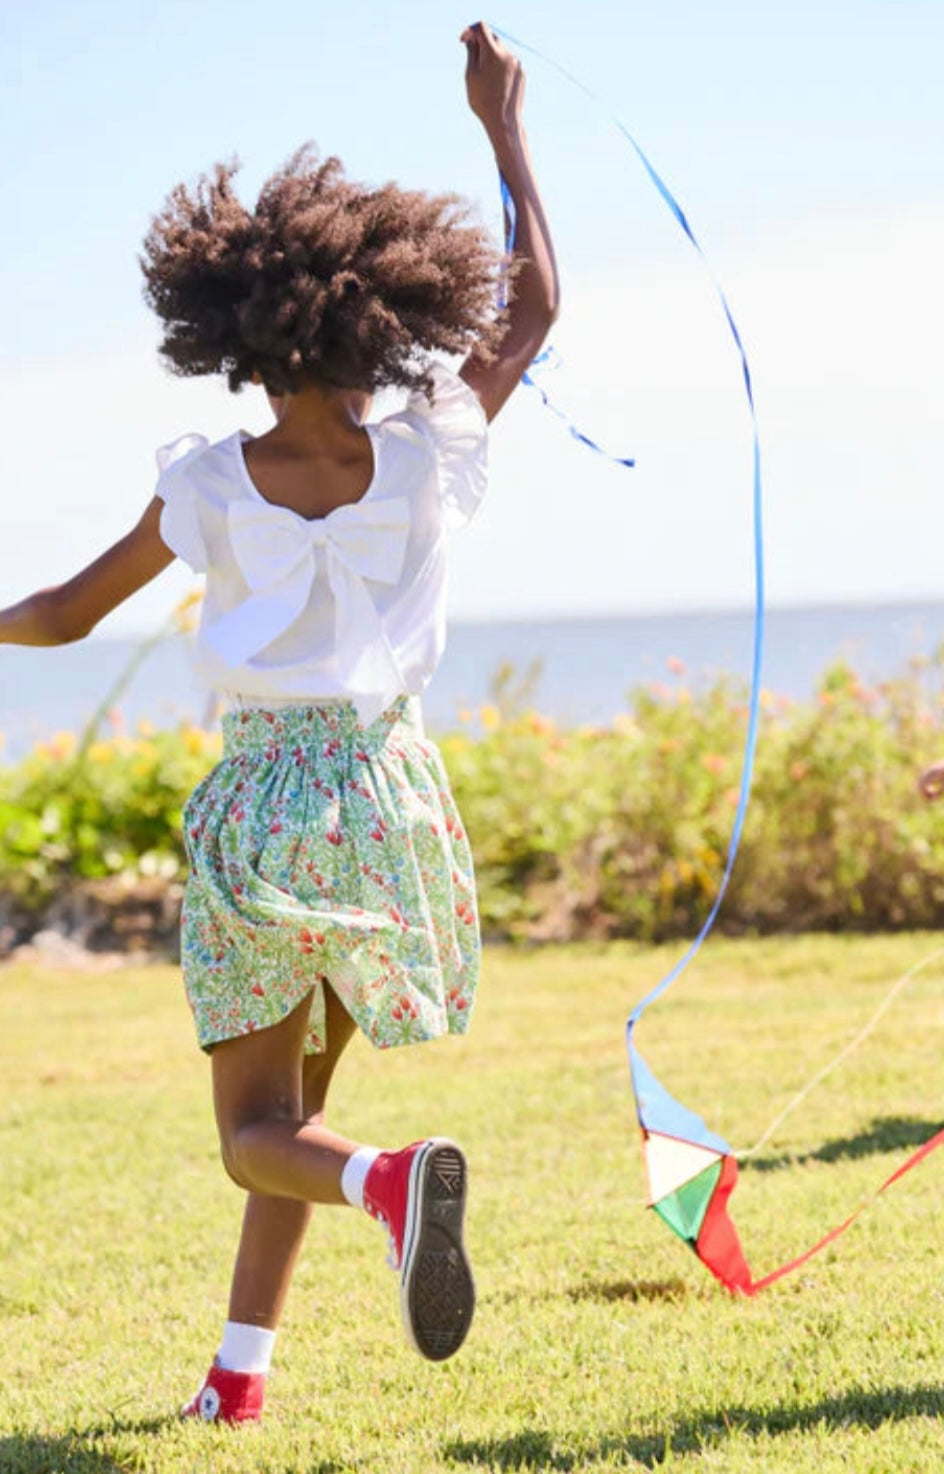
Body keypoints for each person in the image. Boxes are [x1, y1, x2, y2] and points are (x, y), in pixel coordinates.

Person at [0, 22, 558, 1424]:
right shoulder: (434, 452)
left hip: (266, 804)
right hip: (392, 795)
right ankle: (236, 1384)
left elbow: (66, 612)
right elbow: (537, 306)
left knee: (262, 1132)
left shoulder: (213, 483)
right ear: (398, 315)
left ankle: (388, 1177)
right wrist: (504, 130)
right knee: (295, 1101)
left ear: (235, 333)